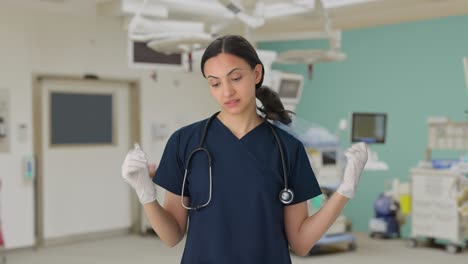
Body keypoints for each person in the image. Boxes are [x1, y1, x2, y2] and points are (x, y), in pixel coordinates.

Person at [121, 35, 368, 264]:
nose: (226, 91)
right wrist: (146, 193)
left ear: (257, 73)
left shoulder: (287, 148)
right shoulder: (185, 142)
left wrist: (344, 191)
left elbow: (301, 243)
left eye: (235, 78)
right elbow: (172, 235)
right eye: (215, 83)